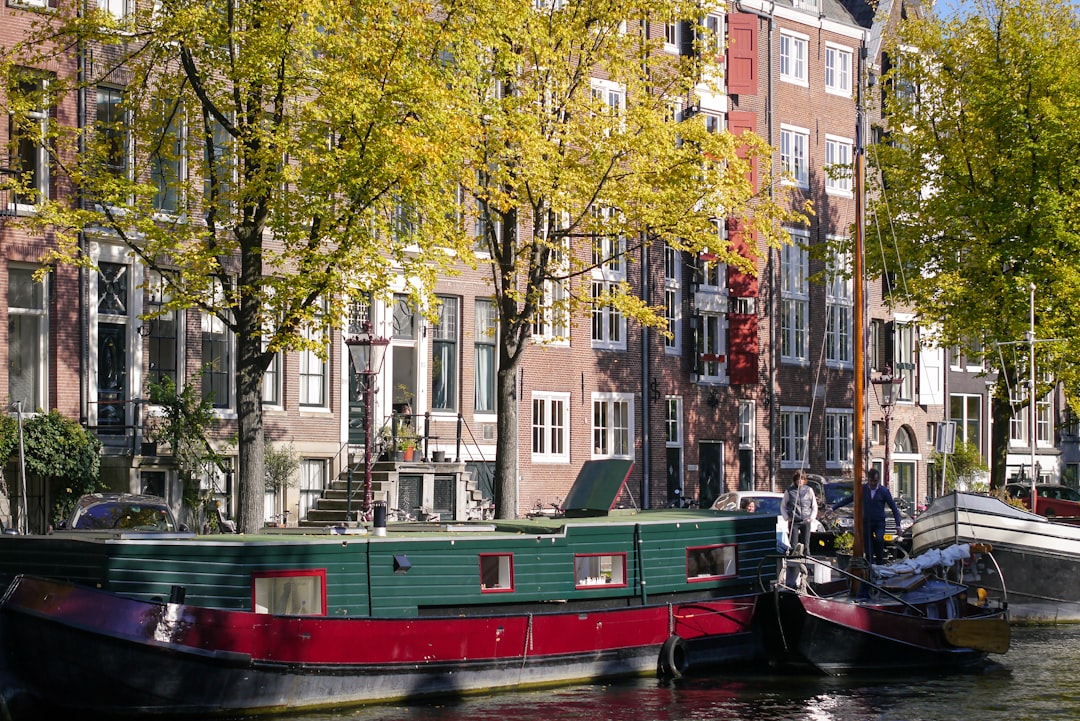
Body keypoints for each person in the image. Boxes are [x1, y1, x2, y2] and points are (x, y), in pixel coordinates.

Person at [832, 468, 901, 565]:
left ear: (878, 480)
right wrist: (832, 508)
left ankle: (880, 561)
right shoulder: (862, 489)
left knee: (879, 539)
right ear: (868, 479)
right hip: (867, 522)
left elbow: (894, 508)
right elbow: (849, 499)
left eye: (875, 481)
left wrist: (898, 525)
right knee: (868, 547)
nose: (873, 483)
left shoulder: (883, 491)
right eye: (871, 481)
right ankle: (870, 566)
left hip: (879, 522)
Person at [782, 470, 817, 555]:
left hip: (805, 521)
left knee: (806, 545)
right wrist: (787, 517)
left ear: (804, 480)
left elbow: (814, 505)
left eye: (802, 479)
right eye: (798, 479)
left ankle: (807, 565)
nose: (800, 481)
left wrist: (811, 518)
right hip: (794, 521)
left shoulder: (809, 490)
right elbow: (783, 506)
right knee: (794, 546)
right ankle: (794, 565)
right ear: (795, 480)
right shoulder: (789, 491)